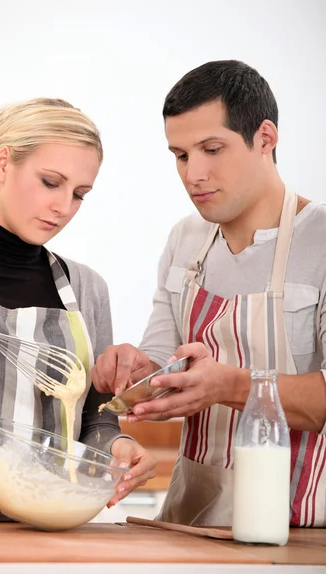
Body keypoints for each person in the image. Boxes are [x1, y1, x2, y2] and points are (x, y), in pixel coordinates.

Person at [92, 60, 326, 528]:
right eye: (180, 155)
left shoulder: (320, 239)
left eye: (212, 148)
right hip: (192, 519)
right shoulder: (185, 238)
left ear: (265, 138)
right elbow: (163, 358)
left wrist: (231, 385)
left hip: (300, 524)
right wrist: (138, 373)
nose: (193, 173)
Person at [0, 97, 156, 522]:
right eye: (51, 182)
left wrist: (116, 446)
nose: (64, 207)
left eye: (80, 194)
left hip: (44, 526)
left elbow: (95, 422)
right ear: (3, 163)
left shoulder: (87, 289)